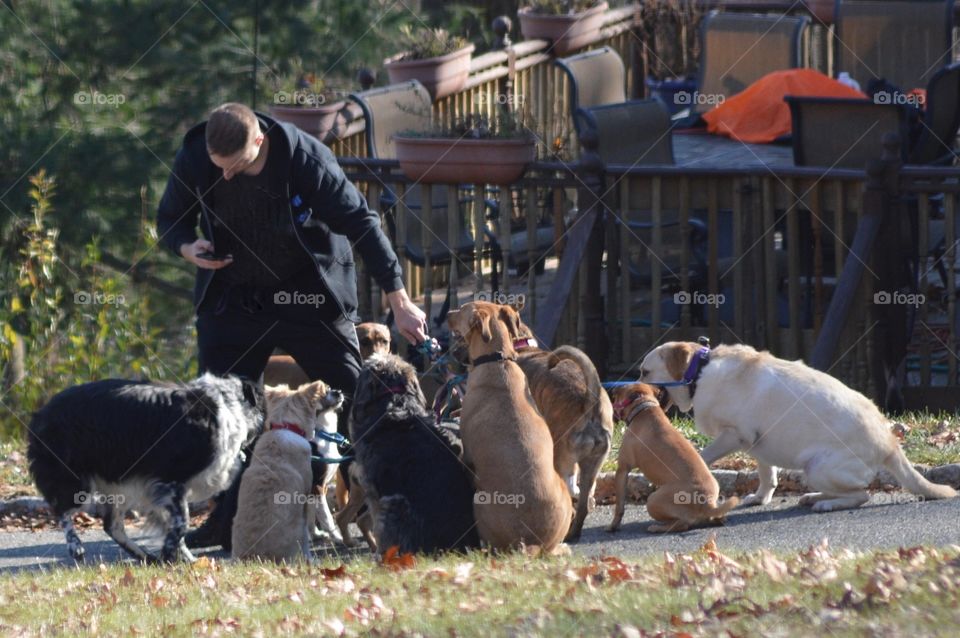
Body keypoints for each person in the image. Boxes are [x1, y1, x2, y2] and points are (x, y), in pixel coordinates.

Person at [156, 102, 426, 549]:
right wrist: (187, 246)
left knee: (364, 395)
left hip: (310, 295)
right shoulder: (197, 156)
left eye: (235, 167)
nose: (223, 177)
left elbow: (360, 222)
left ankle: (401, 505)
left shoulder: (305, 159)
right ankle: (227, 521)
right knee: (221, 410)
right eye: (217, 168)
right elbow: (170, 220)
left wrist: (398, 297)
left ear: (258, 141)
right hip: (235, 298)